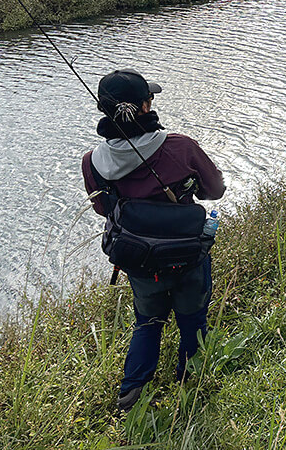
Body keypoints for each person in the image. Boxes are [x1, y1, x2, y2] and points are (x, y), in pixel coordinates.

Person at [81, 68, 226, 412]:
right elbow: (215, 191)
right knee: (193, 321)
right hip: (189, 257)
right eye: (150, 98)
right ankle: (190, 388)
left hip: (140, 261)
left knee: (147, 323)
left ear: (103, 111)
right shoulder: (180, 147)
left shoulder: (92, 162)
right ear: (145, 107)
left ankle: (131, 396)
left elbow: (103, 209)